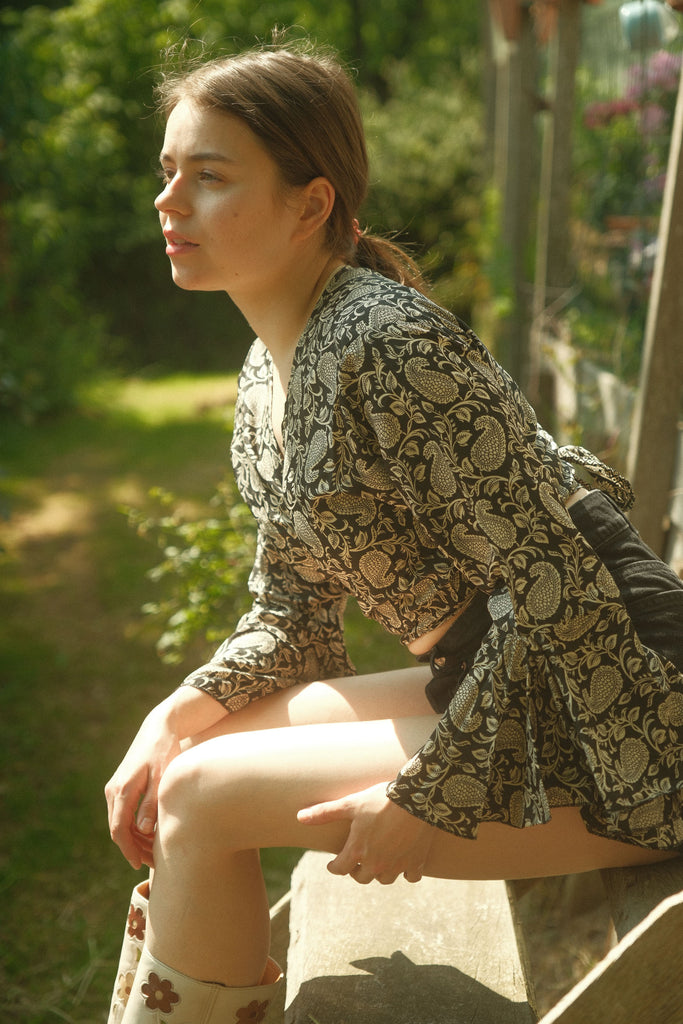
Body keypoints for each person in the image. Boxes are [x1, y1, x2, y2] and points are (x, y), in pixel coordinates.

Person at [104, 38, 683, 1024]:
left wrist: (426, 792)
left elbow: (560, 586)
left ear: (310, 205)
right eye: (168, 172)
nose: (168, 201)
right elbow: (290, 613)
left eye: (208, 176)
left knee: (201, 796)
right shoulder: (269, 371)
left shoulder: (391, 344)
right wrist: (173, 711)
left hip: (626, 704)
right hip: (505, 673)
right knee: (188, 759)